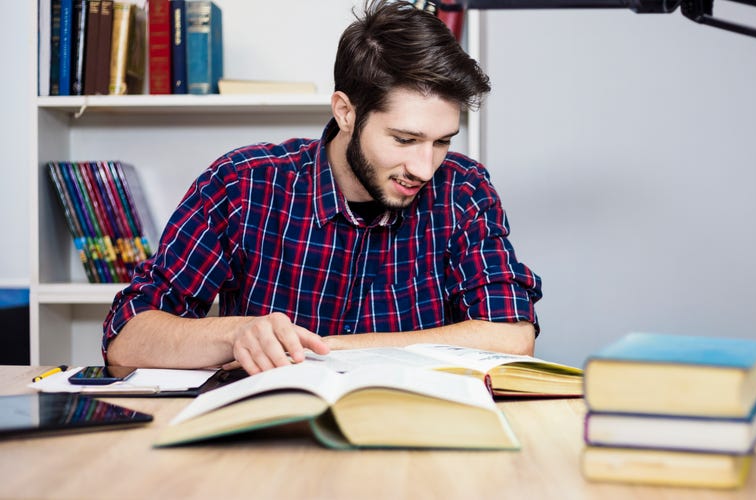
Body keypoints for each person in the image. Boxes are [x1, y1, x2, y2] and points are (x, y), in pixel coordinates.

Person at [103, 0, 542, 375]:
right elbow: (126, 337)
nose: (424, 168)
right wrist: (237, 333)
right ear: (346, 112)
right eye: (404, 139)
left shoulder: (463, 190)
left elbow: (511, 336)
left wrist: (329, 350)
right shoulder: (243, 184)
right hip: (273, 445)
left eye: (442, 141)